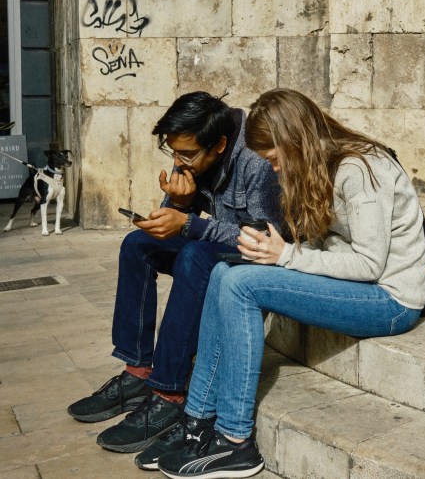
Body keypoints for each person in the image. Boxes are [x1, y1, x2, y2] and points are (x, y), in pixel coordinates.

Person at [146, 88, 425, 478]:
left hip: (390, 300)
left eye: (274, 160)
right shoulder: (319, 167)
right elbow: (323, 243)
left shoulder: (362, 170)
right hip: (355, 287)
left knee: (242, 284)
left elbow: (369, 264)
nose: (274, 170)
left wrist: (285, 256)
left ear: (297, 141)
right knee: (225, 271)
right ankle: (198, 420)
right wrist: (271, 250)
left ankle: (234, 441)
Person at [67, 92, 282, 455]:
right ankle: (138, 372)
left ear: (220, 145)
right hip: (218, 243)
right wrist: (179, 203)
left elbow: (265, 236)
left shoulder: (255, 161)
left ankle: (169, 393)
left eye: (187, 154)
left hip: (261, 255)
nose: (179, 161)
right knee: (138, 245)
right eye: (173, 152)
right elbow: (179, 220)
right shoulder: (194, 155)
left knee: (194, 257)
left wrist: (192, 225)